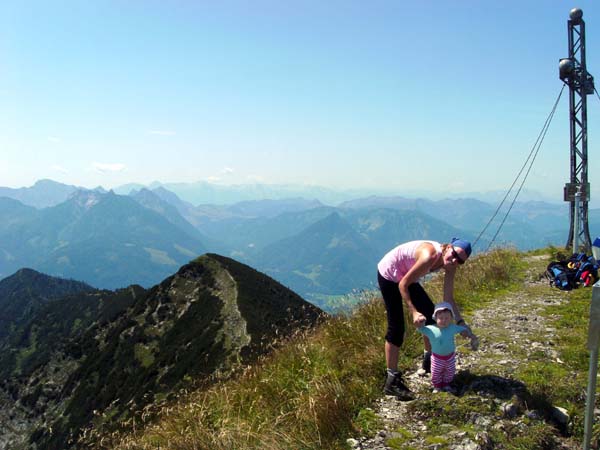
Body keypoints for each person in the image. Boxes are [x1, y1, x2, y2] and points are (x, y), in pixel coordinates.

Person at [377, 238, 472, 400]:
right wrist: (413, 311)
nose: (455, 260)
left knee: (432, 317)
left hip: (407, 274)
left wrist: (461, 322)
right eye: (454, 254)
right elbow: (402, 285)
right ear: (448, 247)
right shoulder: (429, 255)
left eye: (460, 261)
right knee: (397, 328)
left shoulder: (450, 264)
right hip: (389, 273)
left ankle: (429, 359)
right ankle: (391, 381)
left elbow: (448, 299)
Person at [417, 302, 478, 393]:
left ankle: (446, 384)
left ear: (451, 318)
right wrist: (421, 322)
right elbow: (420, 329)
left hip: (450, 357)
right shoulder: (431, 329)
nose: (444, 320)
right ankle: (437, 386)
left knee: (450, 372)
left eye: (447, 318)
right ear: (435, 318)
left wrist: (468, 334)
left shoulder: (452, 327)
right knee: (436, 373)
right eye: (441, 318)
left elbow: (463, 329)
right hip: (437, 358)